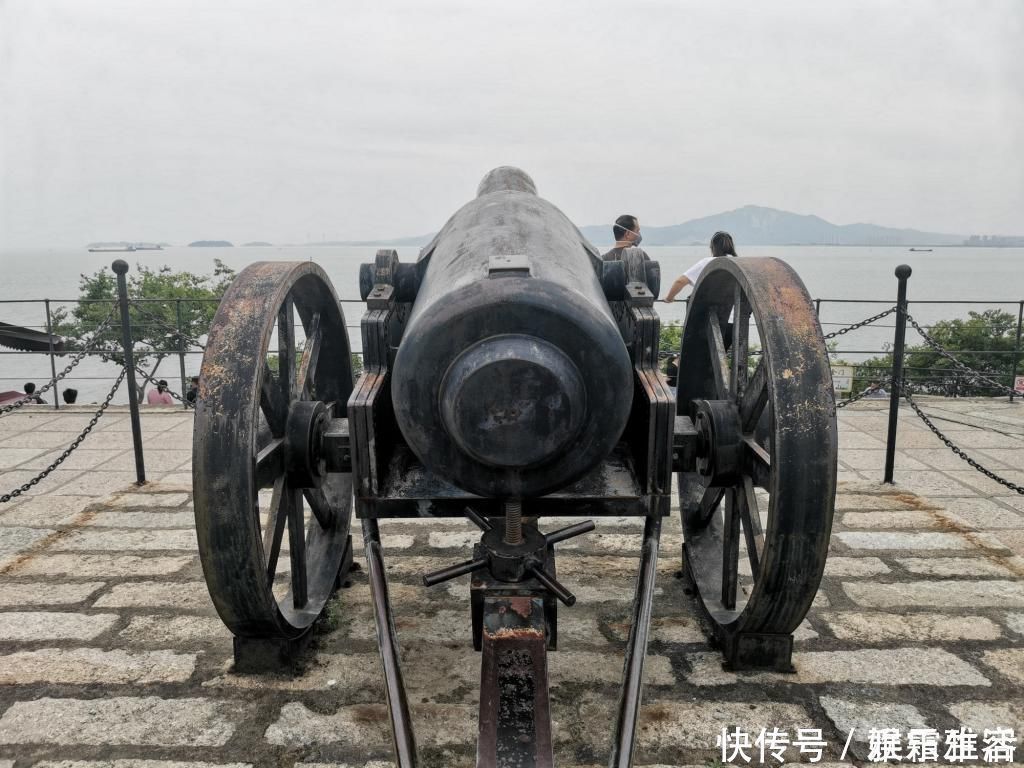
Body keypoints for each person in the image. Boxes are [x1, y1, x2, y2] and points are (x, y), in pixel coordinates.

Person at [664, 231, 738, 302]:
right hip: (734, 313)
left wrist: (669, 298)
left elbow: (680, 281)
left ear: (712, 247)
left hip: (709, 312)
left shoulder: (707, 262)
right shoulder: (736, 263)